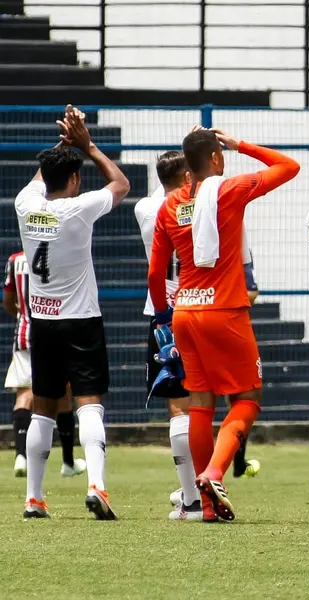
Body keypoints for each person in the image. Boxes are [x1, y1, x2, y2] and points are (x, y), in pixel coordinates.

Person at [149, 127, 300, 522]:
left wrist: (164, 318)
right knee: (248, 398)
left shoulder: (169, 205)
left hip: (184, 313)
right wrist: (240, 144)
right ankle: (214, 473)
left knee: (200, 403)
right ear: (216, 158)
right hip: (225, 312)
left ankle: (207, 506)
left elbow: (155, 272)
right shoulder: (231, 189)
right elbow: (289, 166)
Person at [17, 106, 130, 520]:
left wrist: (62, 146)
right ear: (76, 179)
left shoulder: (25, 205)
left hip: (42, 322)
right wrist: (87, 145)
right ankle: (96, 486)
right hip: (81, 319)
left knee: (43, 407)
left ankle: (34, 498)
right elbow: (121, 184)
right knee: (89, 403)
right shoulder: (79, 208)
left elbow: (43, 176)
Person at [135, 151, 203, 520]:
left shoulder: (146, 210)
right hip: (202, 308)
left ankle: (192, 497)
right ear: (187, 177)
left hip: (165, 316)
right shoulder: (202, 206)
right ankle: (201, 486)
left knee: (178, 406)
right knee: (202, 402)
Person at [6, 251, 86, 480]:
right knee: (64, 395)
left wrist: (22, 317)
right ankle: (68, 462)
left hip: (24, 334)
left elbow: (8, 301)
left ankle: (21, 456)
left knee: (24, 395)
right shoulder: (58, 251)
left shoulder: (15, 260)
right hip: (54, 332)